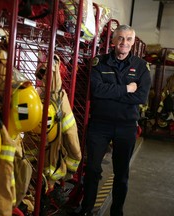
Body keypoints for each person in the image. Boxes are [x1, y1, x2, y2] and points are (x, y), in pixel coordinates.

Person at [78, 24, 151, 216]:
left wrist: (109, 93)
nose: (124, 43)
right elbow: (96, 91)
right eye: (120, 38)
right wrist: (126, 89)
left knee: (121, 174)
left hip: (126, 126)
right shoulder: (99, 63)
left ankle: (116, 212)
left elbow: (141, 97)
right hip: (100, 125)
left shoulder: (141, 67)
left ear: (133, 42)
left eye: (128, 39)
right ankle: (86, 210)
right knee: (92, 170)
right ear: (112, 40)